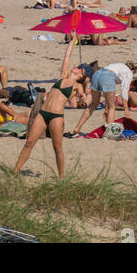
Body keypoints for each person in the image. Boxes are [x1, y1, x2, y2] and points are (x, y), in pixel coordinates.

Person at [14, 38, 88, 179]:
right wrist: (72, 40)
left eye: (80, 69)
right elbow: (67, 56)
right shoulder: (63, 76)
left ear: (80, 75)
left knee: (57, 148)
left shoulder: (77, 85)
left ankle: (61, 178)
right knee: (29, 142)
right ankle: (15, 171)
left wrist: (82, 96)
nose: (77, 67)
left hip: (56, 117)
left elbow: (82, 94)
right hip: (42, 114)